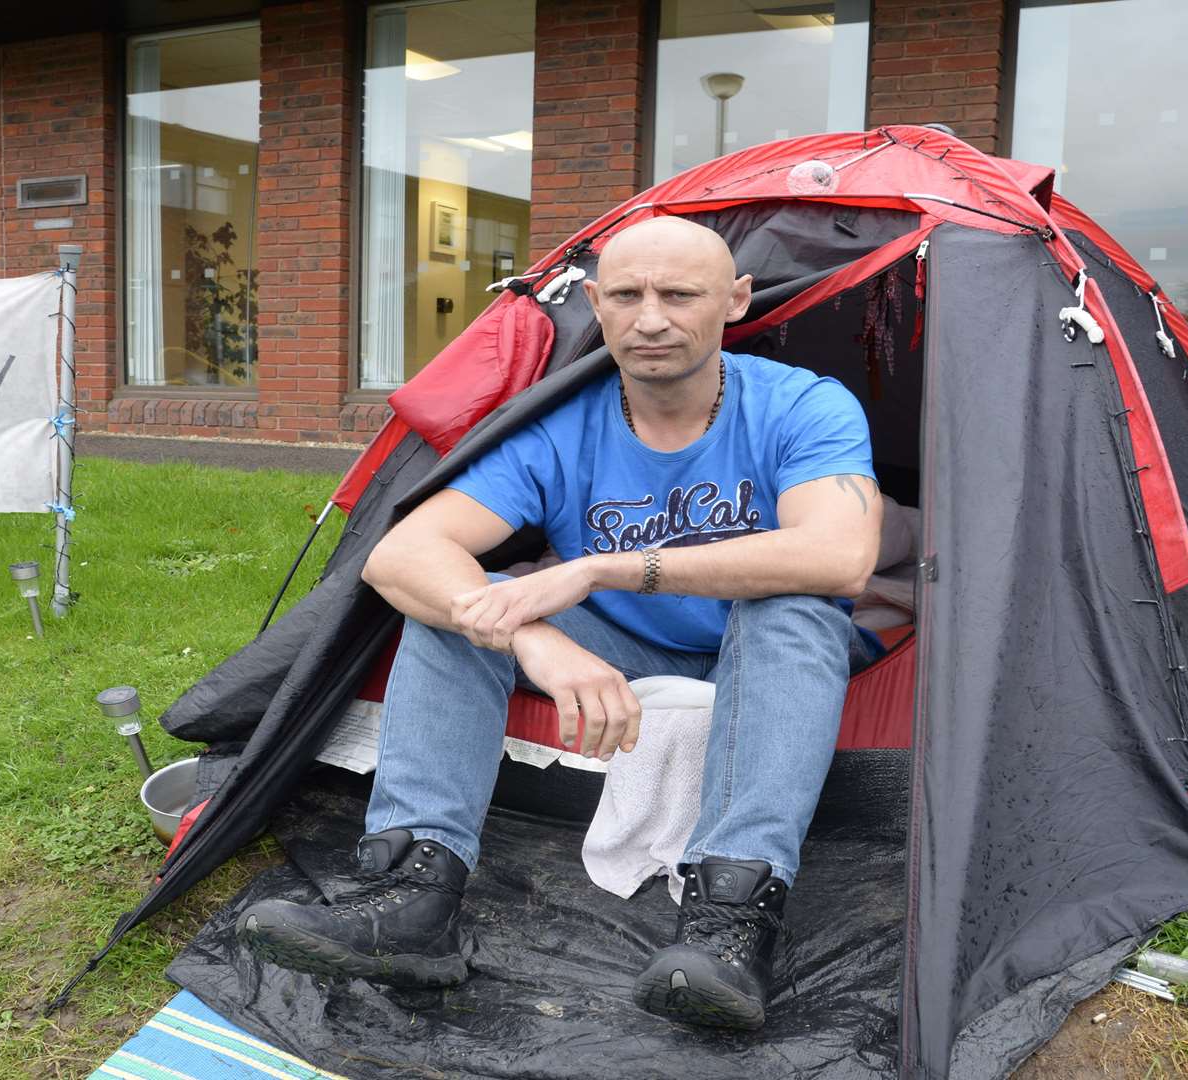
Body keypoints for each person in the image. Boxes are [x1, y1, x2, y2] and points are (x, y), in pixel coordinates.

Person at [237, 216, 883, 1030]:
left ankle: (730, 923)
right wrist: (533, 639)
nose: (652, 319)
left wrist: (600, 567)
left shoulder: (801, 405)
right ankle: (411, 899)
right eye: (627, 295)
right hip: (626, 639)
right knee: (464, 608)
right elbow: (398, 555)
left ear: (736, 299)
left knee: (793, 608)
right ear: (594, 304)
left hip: (768, 650)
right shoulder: (562, 423)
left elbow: (840, 556)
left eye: (680, 295)